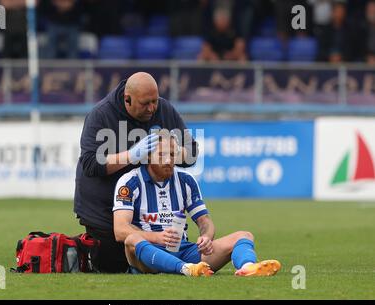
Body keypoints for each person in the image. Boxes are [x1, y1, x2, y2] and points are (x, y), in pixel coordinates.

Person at [74, 72, 198, 273]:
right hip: (103, 212)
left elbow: (191, 153)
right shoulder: (101, 115)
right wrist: (131, 156)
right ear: (127, 99)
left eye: (154, 101)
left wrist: (171, 151)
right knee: (113, 268)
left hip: (149, 215)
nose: (152, 108)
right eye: (145, 103)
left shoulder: (164, 110)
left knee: (154, 267)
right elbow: (90, 163)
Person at [113, 133, 281, 277]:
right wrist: (157, 237)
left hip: (183, 251)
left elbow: (204, 221)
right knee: (132, 239)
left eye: (172, 155)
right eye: (162, 155)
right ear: (148, 156)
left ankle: (247, 268)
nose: (168, 160)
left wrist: (206, 237)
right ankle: (185, 269)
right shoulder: (130, 182)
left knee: (244, 235)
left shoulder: (186, 180)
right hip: (148, 255)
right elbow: (120, 231)